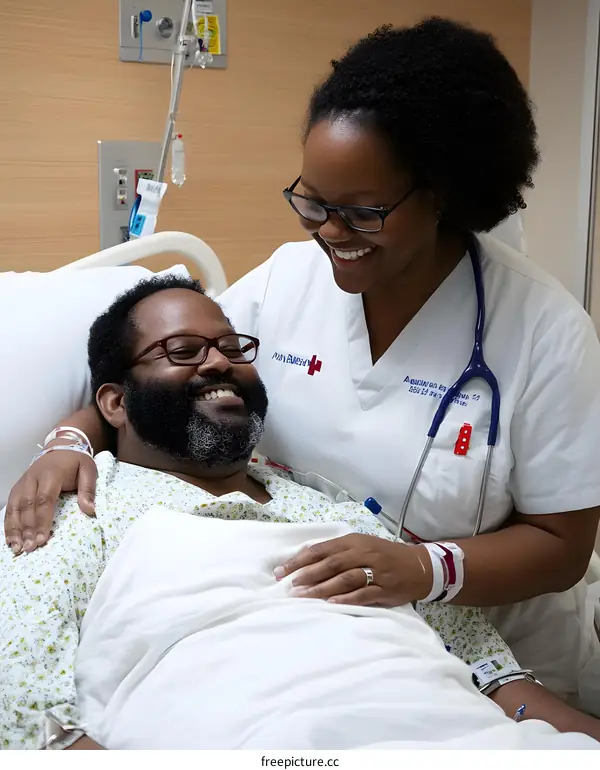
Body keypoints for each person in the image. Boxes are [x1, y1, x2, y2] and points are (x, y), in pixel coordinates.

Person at [5, 17, 600, 709]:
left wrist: (421, 567)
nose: (328, 233)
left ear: (440, 193)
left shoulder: (543, 329)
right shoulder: (290, 278)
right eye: (312, 202)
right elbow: (171, 375)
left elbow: (563, 546)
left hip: (479, 652)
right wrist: (71, 438)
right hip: (306, 646)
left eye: (361, 213)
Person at [2, 275, 600, 750]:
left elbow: (497, 679)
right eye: (183, 351)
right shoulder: (79, 511)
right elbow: (28, 708)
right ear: (114, 401)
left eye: (234, 348)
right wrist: (69, 441)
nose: (219, 363)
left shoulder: (331, 507)